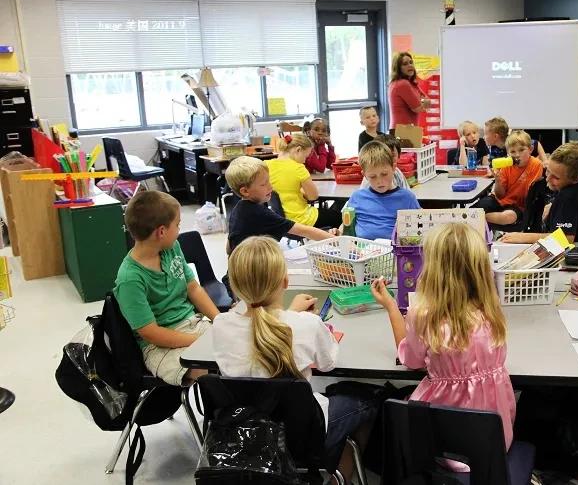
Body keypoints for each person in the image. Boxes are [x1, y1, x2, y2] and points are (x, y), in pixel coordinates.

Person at [213, 236, 376, 480]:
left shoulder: (220, 325)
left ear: (234, 286)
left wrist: (290, 314)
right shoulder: (306, 324)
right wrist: (297, 317)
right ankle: (336, 476)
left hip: (247, 435)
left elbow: (261, 325)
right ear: (286, 282)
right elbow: (328, 363)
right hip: (301, 435)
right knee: (367, 401)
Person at [370, 223, 516, 453]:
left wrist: (390, 307)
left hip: (444, 442)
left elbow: (410, 360)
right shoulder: (491, 310)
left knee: (388, 402)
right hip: (493, 442)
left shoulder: (425, 315)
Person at [114, 191, 219, 386]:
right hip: (159, 347)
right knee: (209, 372)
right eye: (178, 225)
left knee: (240, 348)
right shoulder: (130, 279)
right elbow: (151, 333)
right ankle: (224, 413)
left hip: (192, 325)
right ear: (161, 232)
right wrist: (196, 340)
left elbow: (193, 288)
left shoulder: (172, 248)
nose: (179, 230)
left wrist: (219, 321)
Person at [225, 156, 336, 252]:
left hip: (236, 271)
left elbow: (229, 248)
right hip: (251, 274)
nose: (270, 186)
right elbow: (305, 231)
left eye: (269, 181)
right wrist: (338, 242)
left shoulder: (237, 209)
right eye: (264, 184)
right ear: (245, 191)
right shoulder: (259, 212)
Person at [500, 141, 578, 243]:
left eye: (556, 177)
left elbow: (565, 238)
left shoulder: (566, 197)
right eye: (547, 171)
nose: (548, 179)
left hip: (577, 253)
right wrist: (554, 206)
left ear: (574, 179)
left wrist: (524, 237)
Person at [346, 141, 420, 240]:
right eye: (372, 176)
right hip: (363, 252)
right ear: (365, 175)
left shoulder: (407, 198)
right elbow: (346, 224)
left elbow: (420, 225)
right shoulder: (357, 197)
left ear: (394, 168)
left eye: (384, 174)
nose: (379, 181)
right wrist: (337, 230)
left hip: (396, 253)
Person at [267, 133, 341, 229]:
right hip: (302, 219)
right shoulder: (298, 168)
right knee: (340, 217)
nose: (304, 161)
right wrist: (302, 191)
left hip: (280, 221)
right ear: (298, 150)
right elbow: (313, 197)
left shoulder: (266, 165)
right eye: (305, 156)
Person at [473, 130, 543, 226]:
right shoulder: (506, 165)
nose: (517, 155)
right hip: (500, 200)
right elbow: (500, 195)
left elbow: (531, 195)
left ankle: (477, 217)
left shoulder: (536, 164)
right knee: (476, 208)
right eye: (513, 152)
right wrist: (498, 181)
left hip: (518, 205)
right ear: (508, 153)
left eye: (522, 150)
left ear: (530, 149)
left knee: (509, 217)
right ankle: (474, 216)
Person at [388, 52, 429, 129]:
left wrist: (421, 102)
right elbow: (418, 108)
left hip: (406, 129)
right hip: (404, 131)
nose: (410, 65)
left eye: (411, 62)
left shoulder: (409, 83)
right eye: (405, 64)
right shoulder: (403, 84)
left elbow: (428, 101)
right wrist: (422, 102)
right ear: (398, 68)